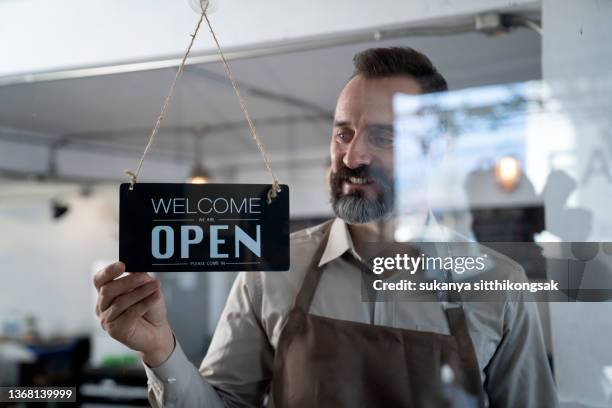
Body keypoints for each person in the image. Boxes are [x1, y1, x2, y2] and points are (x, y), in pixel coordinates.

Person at [94, 47, 558, 407]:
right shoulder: (272, 269)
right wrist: (160, 351)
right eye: (343, 133)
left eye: (384, 136)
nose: (353, 157)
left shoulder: (499, 287)